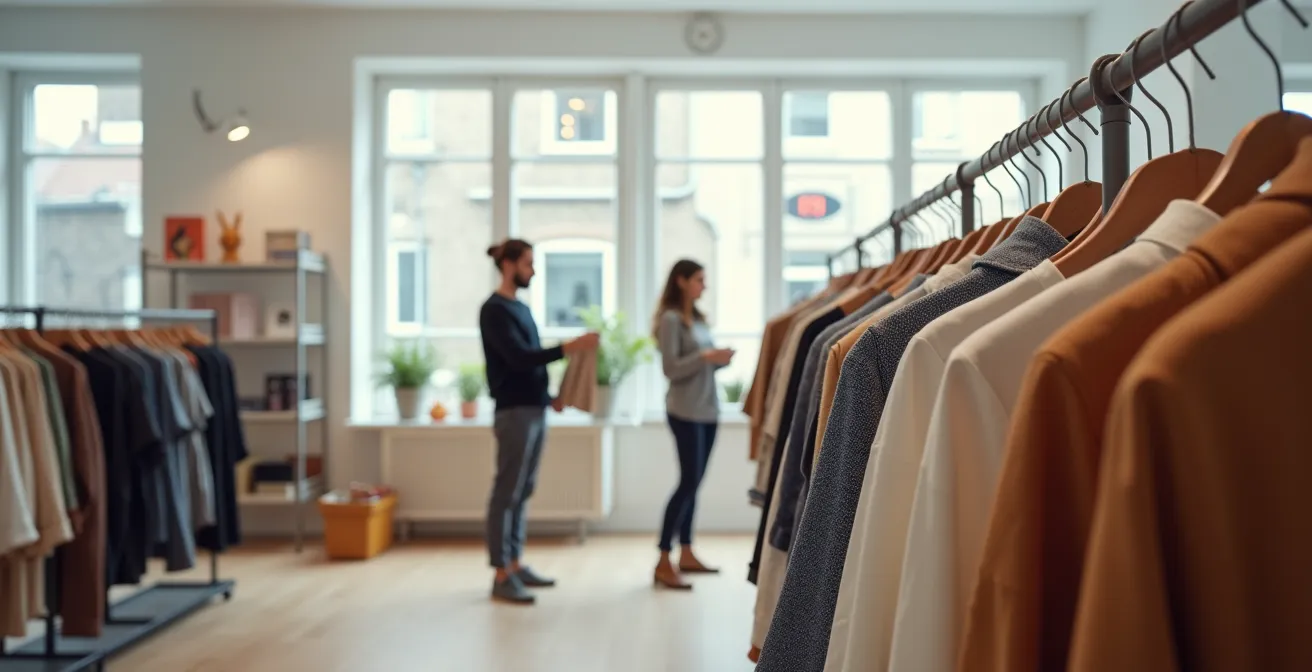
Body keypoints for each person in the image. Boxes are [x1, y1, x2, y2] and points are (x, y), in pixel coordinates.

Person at [479, 238, 599, 605]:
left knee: (523, 490)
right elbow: (518, 359)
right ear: (510, 265)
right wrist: (568, 347)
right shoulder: (494, 310)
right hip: (513, 412)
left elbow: (528, 367)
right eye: (529, 263)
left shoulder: (522, 309)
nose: (533, 271)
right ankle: (501, 573)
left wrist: (550, 398)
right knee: (507, 491)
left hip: (533, 409)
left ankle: (515, 564)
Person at [651, 259, 735, 590]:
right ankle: (662, 558)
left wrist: (717, 362)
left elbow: (699, 367)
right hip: (685, 411)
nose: (705, 285)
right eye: (700, 279)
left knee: (694, 483)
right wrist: (704, 357)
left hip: (707, 410)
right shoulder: (671, 320)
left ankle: (686, 552)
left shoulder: (697, 319)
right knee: (687, 483)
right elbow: (671, 369)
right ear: (682, 281)